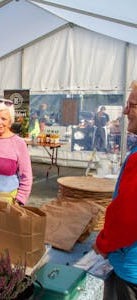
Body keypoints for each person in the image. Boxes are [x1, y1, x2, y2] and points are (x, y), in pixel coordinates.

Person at [93, 81, 137, 299]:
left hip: (131, 269)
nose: (125, 111)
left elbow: (126, 218)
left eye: (133, 105)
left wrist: (103, 243)